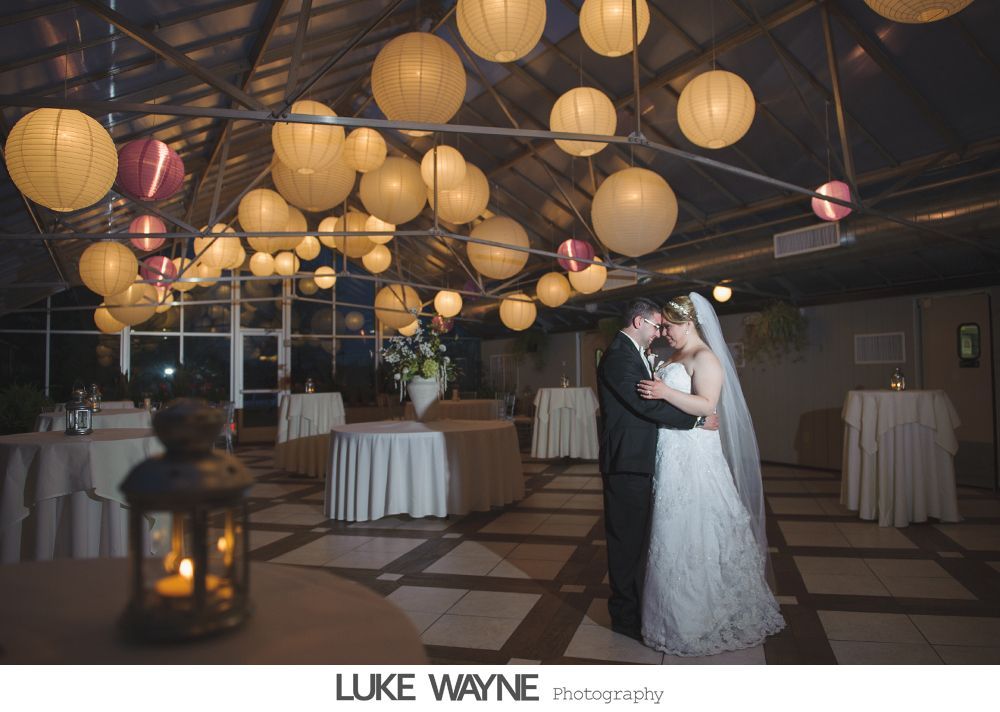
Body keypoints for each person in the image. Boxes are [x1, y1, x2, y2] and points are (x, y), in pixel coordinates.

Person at [637, 293, 785, 656]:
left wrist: (665, 391)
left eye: (668, 328)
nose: (663, 333)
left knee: (696, 526)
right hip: (672, 449)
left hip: (695, 455)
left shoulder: (706, 358)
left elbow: (706, 405)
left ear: (688, 324)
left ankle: (700, 615)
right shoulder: (676, 354)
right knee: (671, 526)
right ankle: (668, 616)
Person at [596, 297, 718, 642]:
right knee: (625, 542)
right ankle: (624, 618)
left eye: (665, 327)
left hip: (643, 458)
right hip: (627, 462)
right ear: (639, 322)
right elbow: (642, 405)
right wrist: (695, 420)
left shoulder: (633, 353)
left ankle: (640, 607)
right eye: (655, 326)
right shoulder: (620, 356)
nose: (659, 334)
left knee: (639, 540)